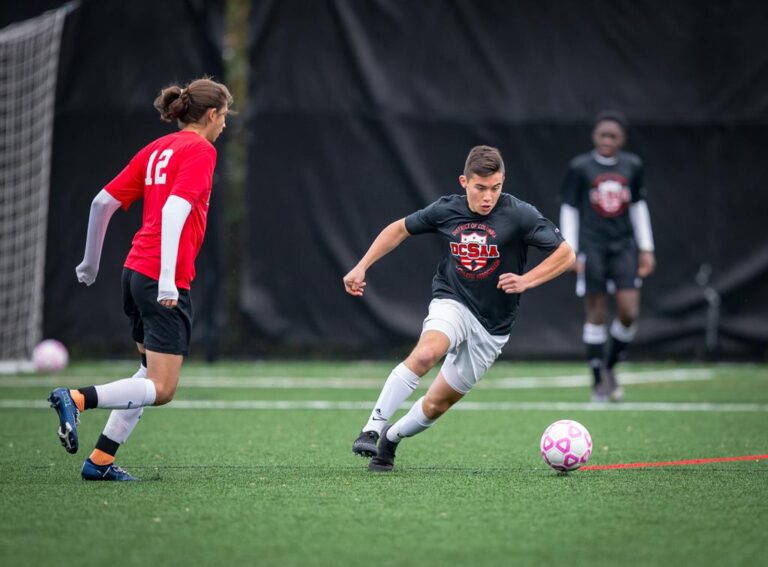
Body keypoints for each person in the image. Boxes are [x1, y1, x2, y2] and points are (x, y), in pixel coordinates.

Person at [345, 145, 574, 472]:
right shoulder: (446, 210)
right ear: (464, 182)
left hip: (493, 327)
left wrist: (527, 280)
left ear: (503, 182)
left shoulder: (520, 213)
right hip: (452, 299)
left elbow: (567, 255)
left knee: (437, 405)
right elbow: (398, 229)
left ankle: (391, 439)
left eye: (495, 188)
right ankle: (372, 427)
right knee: (426, 353)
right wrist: (361, 266)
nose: (488, 197)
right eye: (480, 188)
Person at [48, 77, 232, 480]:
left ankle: (100, 461)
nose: (224, 126)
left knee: (147, 373)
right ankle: (76, 399)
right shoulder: (200, 149)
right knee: (162, 389)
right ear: (213, 114)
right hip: (160, 278)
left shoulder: (156, 149)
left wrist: (90, 262)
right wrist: (168, 280)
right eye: (225, 117)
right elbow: (172, 213)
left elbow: (102, 202)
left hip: (134, 271)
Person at [559, 111, 656, 402]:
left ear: (622, 139)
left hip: (623, 246)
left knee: (629, 313)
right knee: (596, 312)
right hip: (592, 247)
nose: (607, 141)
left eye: (613, 136)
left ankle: (609, 366)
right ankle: (598, 380)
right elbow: (569, 208)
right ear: (594, 137)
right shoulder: (580, 167)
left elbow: (638, 207)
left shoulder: (632, 166)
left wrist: (646, 248)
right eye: (602, 135)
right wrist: (570, 250)